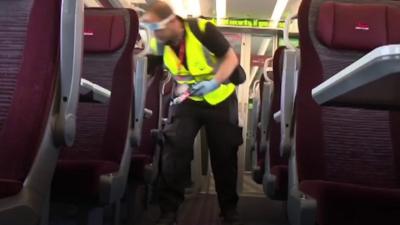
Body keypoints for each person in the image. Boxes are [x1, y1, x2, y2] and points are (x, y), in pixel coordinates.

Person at [142, 1, 244, 225]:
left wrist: (214, 83)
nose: (156, 35)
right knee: (174, 148)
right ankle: (168, 210)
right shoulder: (159, 42)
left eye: (157, 29)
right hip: (188, 99)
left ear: (173, 22)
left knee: (224, 154)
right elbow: (145, 70)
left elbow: (230, 59)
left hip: (220, 97)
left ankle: (229, 210)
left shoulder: (202, 30)